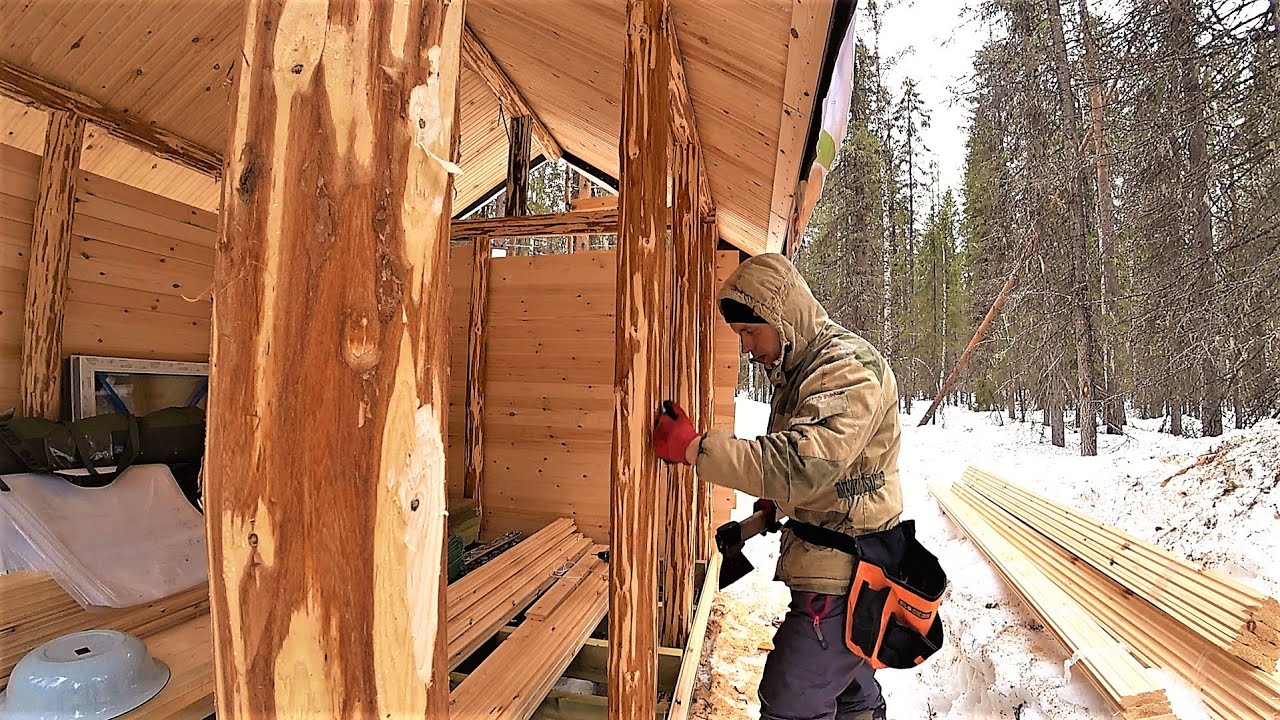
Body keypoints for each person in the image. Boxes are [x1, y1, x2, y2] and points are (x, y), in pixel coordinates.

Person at [653, 253, 901, 720]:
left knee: (790, 700)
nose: (746, 347)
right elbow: (826, 473)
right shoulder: (804, 369)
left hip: (847, 575)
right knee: (848, 689)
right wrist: (767, 512)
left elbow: (805, 466)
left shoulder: (844, 368)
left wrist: (695, 449)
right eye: (740, 336)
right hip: (837, 566)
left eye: (751, 332)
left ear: (783, 317)